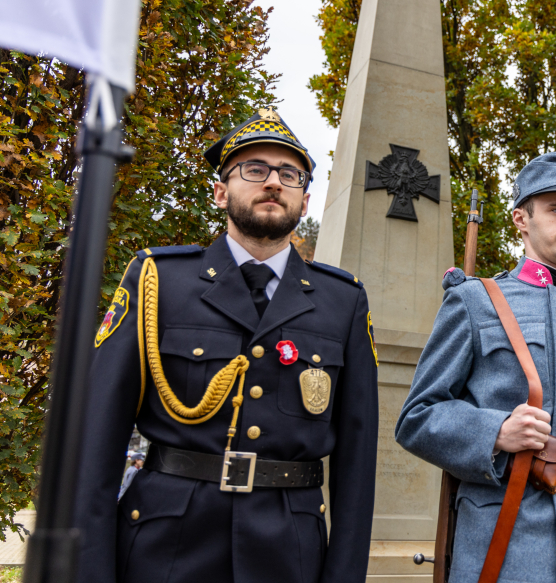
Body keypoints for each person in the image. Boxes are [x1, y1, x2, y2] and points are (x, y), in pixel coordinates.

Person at [74, 110, 379, 583]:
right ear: (221, 192)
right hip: (165, 545)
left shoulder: (344, 301)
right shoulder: (159, 281)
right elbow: (97, 441)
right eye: (255, 169)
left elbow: (357, 466)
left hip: (288, 551)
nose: (273, 182)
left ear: (305, 198)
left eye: (289, 174)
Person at [395, 151, 556, 583]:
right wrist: (495, 432)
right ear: (521, 219)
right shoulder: (474, 302)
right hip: (506, 547)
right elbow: (417, 417)